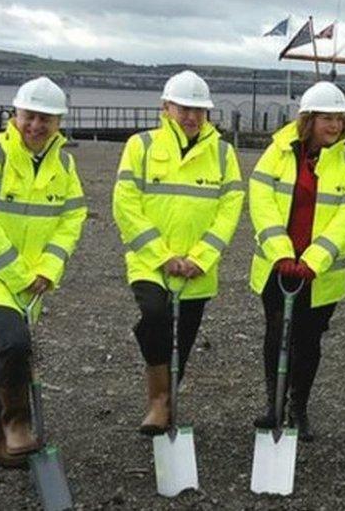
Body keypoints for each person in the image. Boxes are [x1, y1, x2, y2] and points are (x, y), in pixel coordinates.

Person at [0, 76, 88, 467]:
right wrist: (19, 275)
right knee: (14, 342)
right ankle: (17, 423)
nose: (36, 126)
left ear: (58, 122)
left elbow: (72, 217)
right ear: (15, 114)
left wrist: (48, 268)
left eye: (46, 119)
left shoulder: (63, 162)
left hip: (31, 279)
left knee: (1, 350)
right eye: (30, 116)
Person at [112, 70, 244, 436]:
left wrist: (201, 258)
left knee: (182, 338)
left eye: (198, 110)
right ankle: (158, 402)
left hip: (198, 269)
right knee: (154, 315)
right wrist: (162, 256)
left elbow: (230, 209)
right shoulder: (141, 145)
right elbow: (125, 205)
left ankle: (167, 401)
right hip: (150, 262)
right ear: (165, 107)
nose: (190, 117)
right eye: (183, 108)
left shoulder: (222, 153)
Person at [247, 81, 345, 442]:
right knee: (275, 335)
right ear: (308, 119)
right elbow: (261, 200)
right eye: (327, 118)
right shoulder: (278, 153)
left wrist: (314, 259)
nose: (335, 126)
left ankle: (298, 408)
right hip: (277, 265)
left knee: (308, 339)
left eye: (339, 119)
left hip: (321, 271)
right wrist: (282, 252)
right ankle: (274, 405)